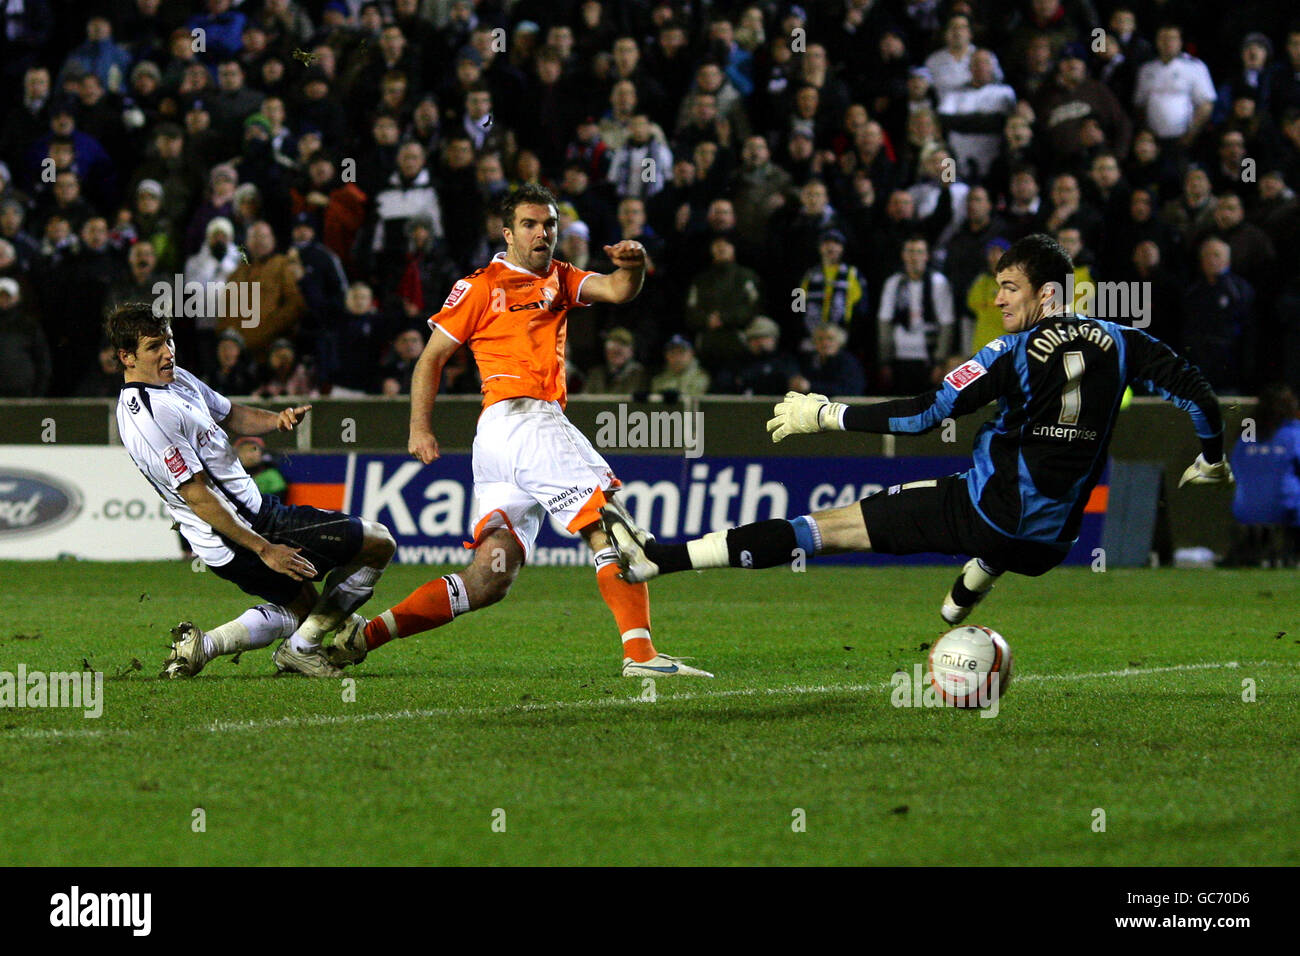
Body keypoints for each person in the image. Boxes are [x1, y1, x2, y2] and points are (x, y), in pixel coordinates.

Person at [602, 234, 1233, 627]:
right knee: (1017, 519)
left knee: (828, 528)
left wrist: (825, 414)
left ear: (1046, 293)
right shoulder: (1126, 342)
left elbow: (925, 415)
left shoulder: (1007, 353)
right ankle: (975, 582)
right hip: (1053, 545)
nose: (1000, 301)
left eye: (1010, 289)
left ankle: (661, 559)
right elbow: (1198, 394)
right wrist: (1210, 456)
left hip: (984, 512)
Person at [325, 184, 710, 678]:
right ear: (508, 232)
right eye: (530, 224)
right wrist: (419, 427)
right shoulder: (482, 285)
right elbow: (431, 359)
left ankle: (362, 636)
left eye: (549, 224)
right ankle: (641, 656)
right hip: (525, 421)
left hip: (500, 445)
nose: (542, 233)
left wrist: (633, 266)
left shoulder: (562, 277)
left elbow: (617, 290)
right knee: (608, 524)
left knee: (489, 578)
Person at [106, 301, 395, 679]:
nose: (168, 352)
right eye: (155, 346)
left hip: (243, 526)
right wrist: (263, 548)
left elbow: (230, 413)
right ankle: (304, 649)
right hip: (247, 529)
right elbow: (196, 495)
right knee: (378, 543)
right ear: (127, 357)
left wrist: (276, 420)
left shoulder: (176, 379)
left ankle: (204, 646)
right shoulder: (146, 415)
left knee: (305, 609)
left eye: (170, 341)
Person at [1224, 384, 1300, 567]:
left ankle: (1253, 549)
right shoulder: (1294, 433)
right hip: (1285, 510)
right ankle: (1292, 552)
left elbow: (1235, 467)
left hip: (1244, 509)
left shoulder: (1247, 434)